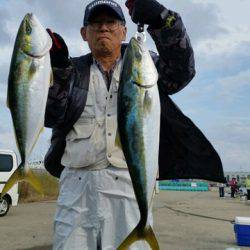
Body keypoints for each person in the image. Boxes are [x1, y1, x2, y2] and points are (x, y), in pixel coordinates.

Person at [44, 0, 225, 249]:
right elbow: (51, 115)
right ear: (84, 33)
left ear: (124, 30)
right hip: (76, 189)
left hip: (129, 186)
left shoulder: (143, 62)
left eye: (111, 23)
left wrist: (163, 20)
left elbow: (182, 71)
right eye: (96, 24)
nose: (104, 29)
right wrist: (58, 70)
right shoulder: (71, 70)